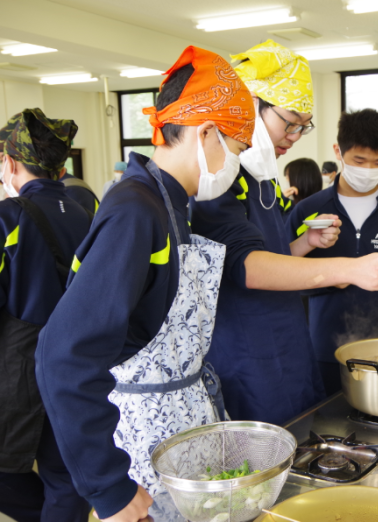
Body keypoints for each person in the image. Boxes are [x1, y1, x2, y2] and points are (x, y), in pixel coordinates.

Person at [35, 46, 256, 522]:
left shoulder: (171, 205)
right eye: (238, 149)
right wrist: (110, 486)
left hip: (183, 429)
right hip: (142, 449)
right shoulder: (135, 211)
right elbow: (63, 355)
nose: (236, 165)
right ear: (208, 132)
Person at [190, 41, 378, 424]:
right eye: (288, 121)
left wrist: (303, 244)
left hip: (288, 339)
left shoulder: (263, 179)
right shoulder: (220, 179)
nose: (293, 136)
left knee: (302, 434)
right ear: (248, 104)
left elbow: (272, 258)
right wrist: (349, 269)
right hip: (247, 349)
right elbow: (245, 268)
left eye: (302, 127)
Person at [287, 109, 378, 396]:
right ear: (338, 152)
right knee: (325, 423)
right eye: (359, 160)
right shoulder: (307, 210)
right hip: (324, 345)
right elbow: (282, 273)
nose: (368, 169)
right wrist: (334, 277)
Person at [0, 109, 91, 522]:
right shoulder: (87, 213)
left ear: (10, 161)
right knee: (65, 477)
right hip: (79, 366)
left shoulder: (10, 217)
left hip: (20, 375)